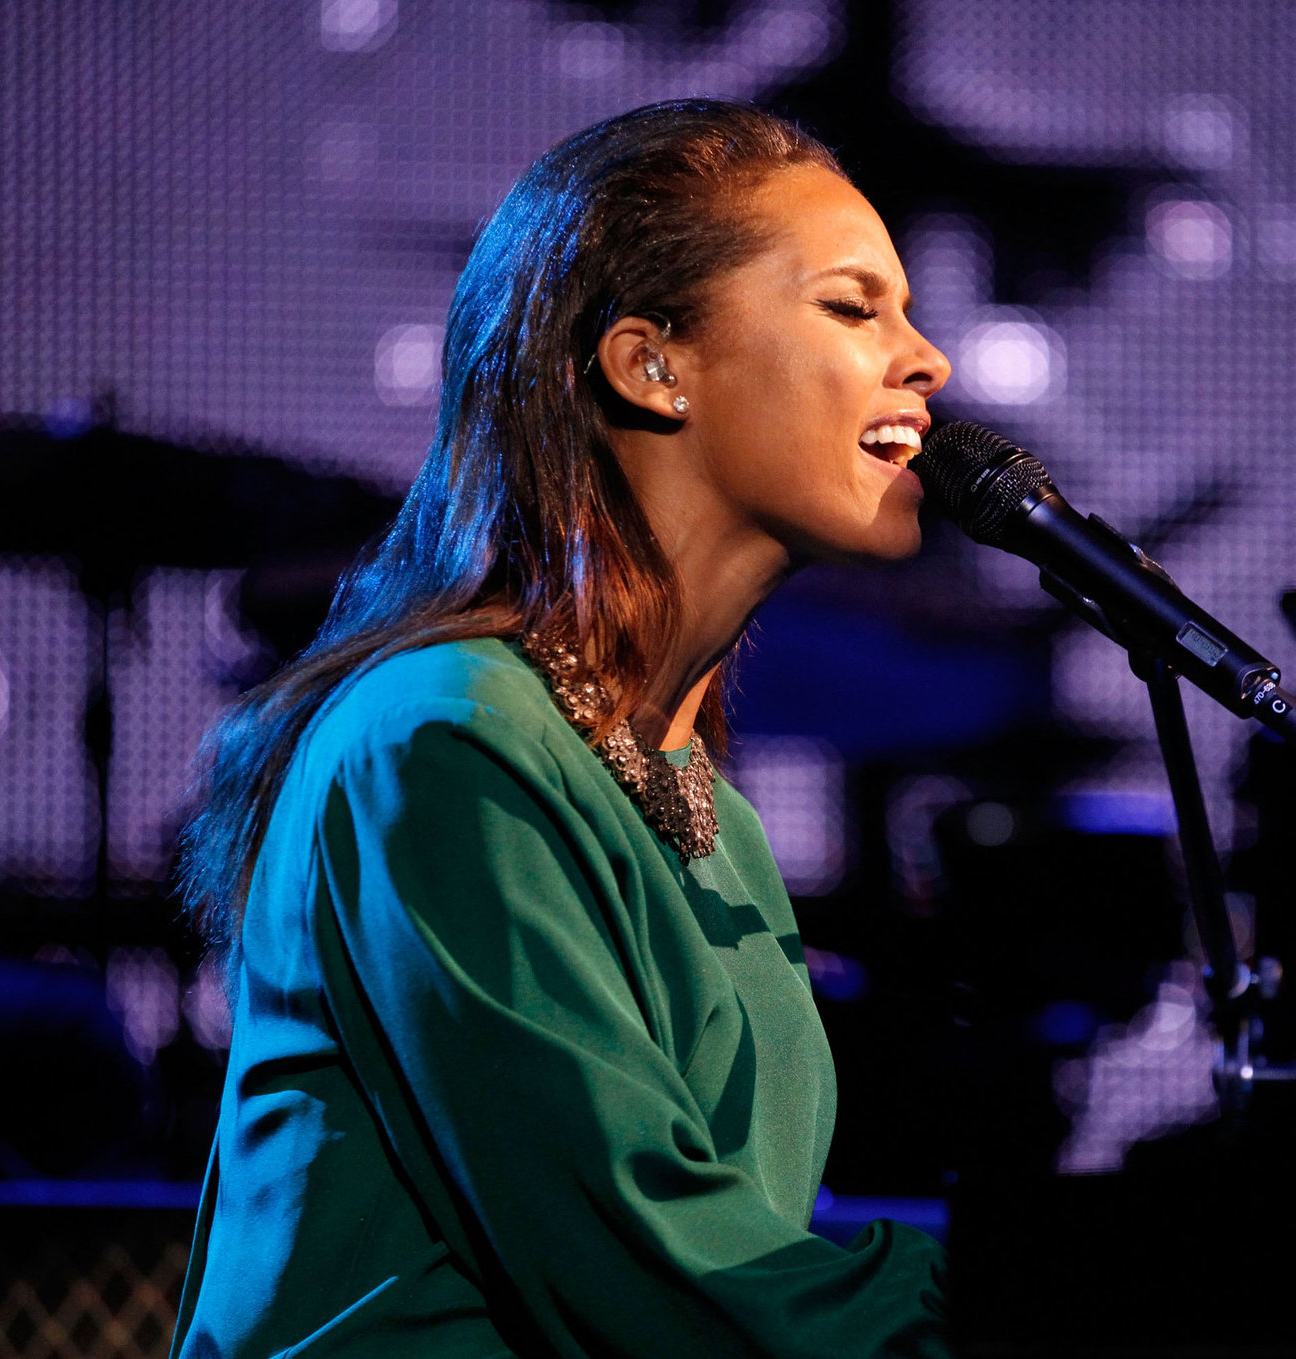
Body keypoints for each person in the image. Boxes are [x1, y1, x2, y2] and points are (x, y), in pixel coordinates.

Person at [168, 99, 953, 1358]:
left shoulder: (710, 814)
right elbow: (648, 1262)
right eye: (857, 309)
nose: (929, 362)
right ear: (652, 365)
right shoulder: (440, 742)